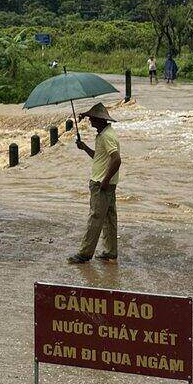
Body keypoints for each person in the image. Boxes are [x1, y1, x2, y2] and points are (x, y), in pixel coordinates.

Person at [68, 103, 121, 265]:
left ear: (99, 120)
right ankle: (110, 252)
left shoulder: (106, 137)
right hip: (109, 183)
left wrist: (104, 181)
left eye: (92, 118)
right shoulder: (105, 133)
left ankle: (84, 253)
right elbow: (99, 157)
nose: (90, 121)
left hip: (101, 183)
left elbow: (117, 160)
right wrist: (84, 148)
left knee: (95, 218)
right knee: (109, 219)